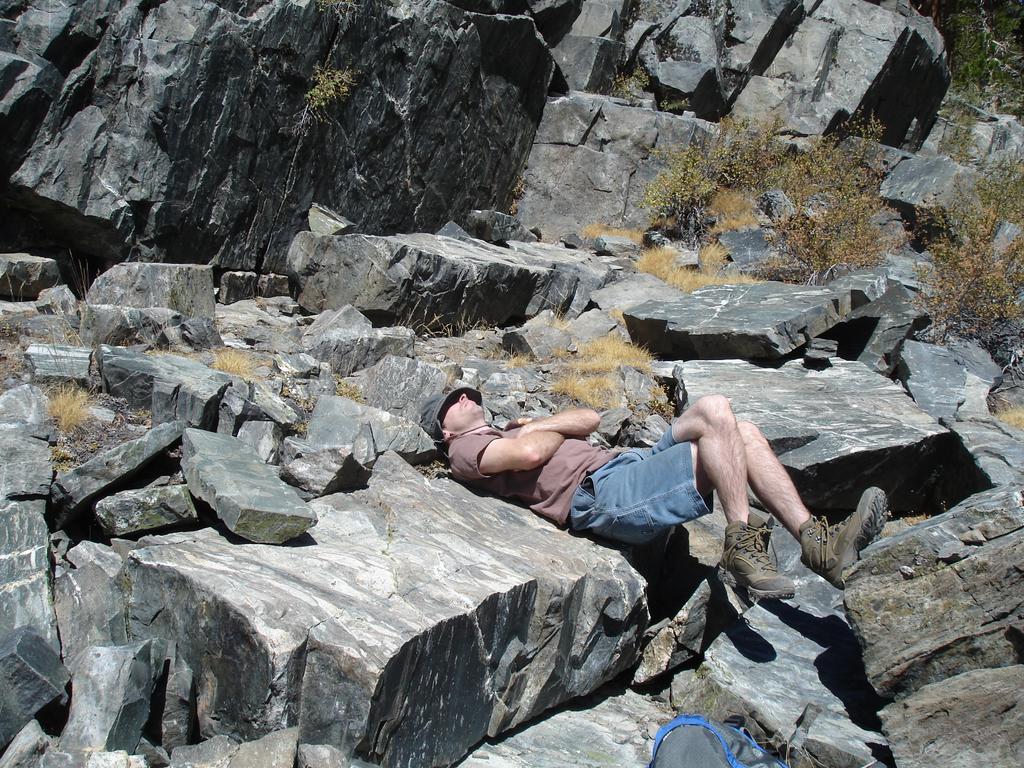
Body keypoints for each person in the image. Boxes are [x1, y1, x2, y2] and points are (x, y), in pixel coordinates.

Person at [419, 387, 888, 598]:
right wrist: (534, 434)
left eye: (467, 393)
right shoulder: (465, 451)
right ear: (445, 431)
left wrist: (536, 424)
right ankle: (741, 540)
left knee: (724, 417)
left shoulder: (511, 429)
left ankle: (816, 543)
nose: (465, 397)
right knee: (716, 441)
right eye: (452, 402)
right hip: (599, 493)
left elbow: (590, 419)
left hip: (626, 464)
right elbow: (530, 454)